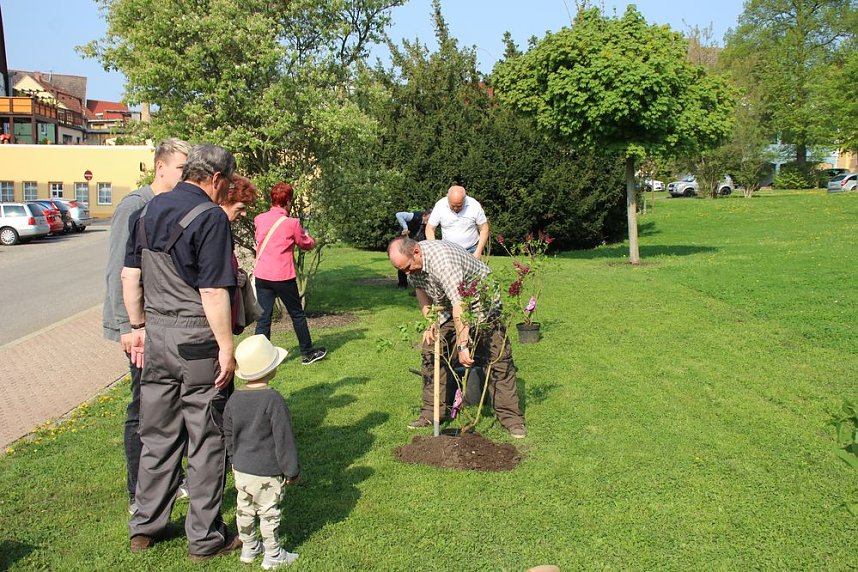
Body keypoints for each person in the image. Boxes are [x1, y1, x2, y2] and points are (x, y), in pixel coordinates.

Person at [122, 144, 241, 561]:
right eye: (226, 184)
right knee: (206, 438)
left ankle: (146, 526)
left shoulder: (147, 210)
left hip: (155, 336)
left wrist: (139, 327)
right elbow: (211, 290)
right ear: (217, 179)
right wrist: (226, 347)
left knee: (157, 434)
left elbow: (130, 275)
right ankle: (206, 538)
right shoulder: (210, 217)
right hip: (196, 341)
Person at [102, 137, 191, 516]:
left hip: (164, 323)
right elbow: (118, 271)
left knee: (169, 407)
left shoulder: (170, 206)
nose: (187, 177)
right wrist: (128, 325)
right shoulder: (136, 206)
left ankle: (172, 478)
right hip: (141, 327)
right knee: (143, 408)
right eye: (182, 170)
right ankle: (138, 492)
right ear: (161, 167)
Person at [387, 236, 527, 438]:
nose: (407, 273)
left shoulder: (444, 262)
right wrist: (431, 323)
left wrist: (463, 346)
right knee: (431, 352)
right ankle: (432, 413)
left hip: (480, 300)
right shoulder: (412, 264)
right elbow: (421, 290)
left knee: (497, 356)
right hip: (447, 302)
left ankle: (511, 418)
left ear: (416, 252)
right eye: (402, 270)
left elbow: (460, 305)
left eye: (408, 267)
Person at [224, 334, 301, 569]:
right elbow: (283, 438)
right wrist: (291, 470)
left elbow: (227, 433)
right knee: (269, 513)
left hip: (242, 470)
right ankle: (273, 554)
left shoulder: (234, 399)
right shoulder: (273, 400)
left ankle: (249, 548)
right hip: (266, 471)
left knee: (244, 509)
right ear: (271, 369)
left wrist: (232, 459)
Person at [253, 182, 327, 365]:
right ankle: (308, 353)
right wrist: (312, 239)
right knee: (297, 315)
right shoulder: (292, 223)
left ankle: (260, 359)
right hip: (282, 276)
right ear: (288, 201)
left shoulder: (259, 218)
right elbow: (305, 244)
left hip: (262, 274)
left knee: (263, 318)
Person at [425, 185, 489, 258]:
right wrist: (435, 248)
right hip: (448, 250)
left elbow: (484, 229)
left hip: (472, 249)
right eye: (452, 206)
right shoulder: (440, 205)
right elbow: (430, 228)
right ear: (447, 198)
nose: (455, 208)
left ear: (465, 199)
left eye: (459, 205)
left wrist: (478, 251)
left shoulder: (474, 205)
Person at [394, 210, 430, 288]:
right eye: (428, 219)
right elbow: (398, 214)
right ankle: (402, 284)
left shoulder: (428, 224)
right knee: (403, 260)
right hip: (404, 239)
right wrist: (405, 228)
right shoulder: (415, 216)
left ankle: (420, 285)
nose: (429, 221)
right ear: (424, 215)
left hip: (416, 242)